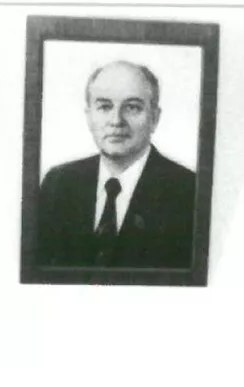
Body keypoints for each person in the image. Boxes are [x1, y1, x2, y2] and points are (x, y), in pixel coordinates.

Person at [34, 60, 198, 271]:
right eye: (104, 106)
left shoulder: (189, 191)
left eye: (132, 107)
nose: (116, 120)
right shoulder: (57, 183)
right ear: (89, 116)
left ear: (155, 118)